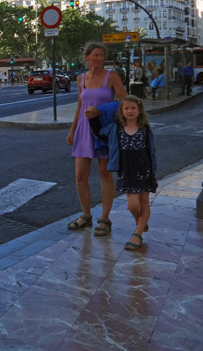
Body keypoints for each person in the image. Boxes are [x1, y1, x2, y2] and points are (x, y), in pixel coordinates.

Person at [66, 42, 127, 236]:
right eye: (96, 55)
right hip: (84, 130)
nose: (100, 58)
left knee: (104, 174)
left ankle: (105, 219)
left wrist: (102, 109)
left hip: (104, 130)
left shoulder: (112, 76)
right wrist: (72, 130)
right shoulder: (81, 78)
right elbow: (79, 105)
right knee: (80, 175)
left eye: (102, 55)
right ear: (87, 57)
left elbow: (127, 102)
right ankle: (86, 215)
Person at [89, 96, 157, 250]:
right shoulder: (115, 128)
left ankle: (138, 233)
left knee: (144, 202)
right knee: (132, 206)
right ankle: (140, 222)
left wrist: (153, 170)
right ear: (122, 111)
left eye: (133, 108)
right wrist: (92, 116)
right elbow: (99, 133)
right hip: (126, 170)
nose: (130, 111)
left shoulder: (145, 129)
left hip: (144, 168)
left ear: (139, 110)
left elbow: (151, 151)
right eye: (126, 108)